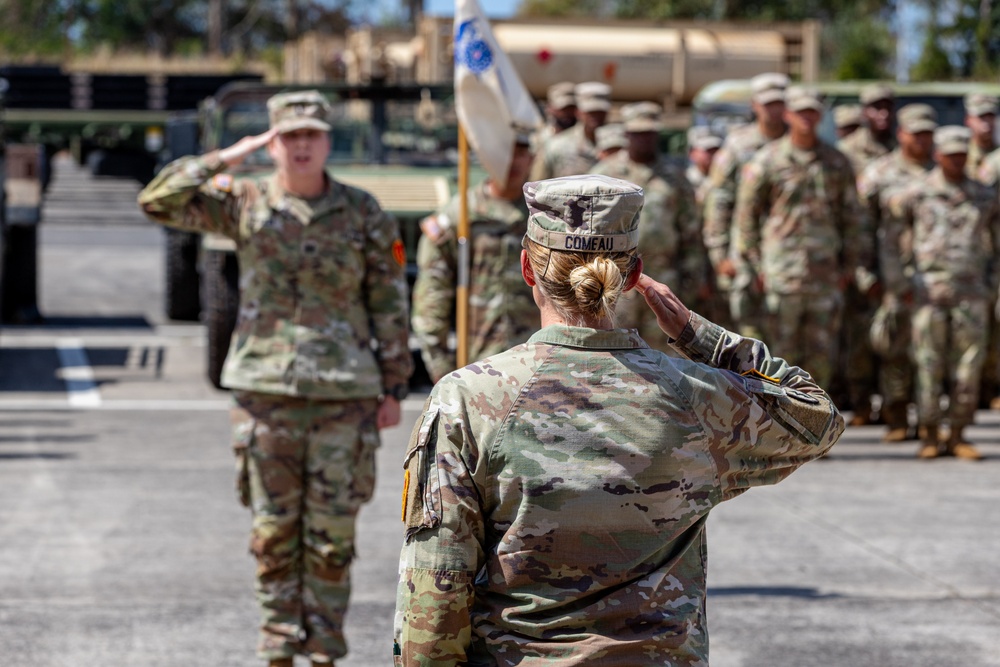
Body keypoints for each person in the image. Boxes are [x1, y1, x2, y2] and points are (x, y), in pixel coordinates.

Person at [393, 174, 844, 667]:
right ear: (633, 275)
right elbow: (816, 417)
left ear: (527, 266)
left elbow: (434, 597)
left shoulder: (468, 397)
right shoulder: (693, 395)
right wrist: (702, 337)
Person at [138, 90, 413, 666]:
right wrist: (226, 156)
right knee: (272, 535)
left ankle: (324, 653)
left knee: (332, 539)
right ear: (273, 141)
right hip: (267, 396)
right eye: (290, 136)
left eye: (313, 134)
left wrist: (394, 387)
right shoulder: (242, 202)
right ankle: (277, 649)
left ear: (328, 140)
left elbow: (388, 302)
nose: (303, 145)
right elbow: (158, 201)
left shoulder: (363, 211)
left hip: (345, 395)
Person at [733, 86, 872, 391]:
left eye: (812, 112)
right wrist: (754, 266)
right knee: (781, 359)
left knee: (821, 358)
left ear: (820, 116)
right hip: (781, 275)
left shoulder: (836, 162)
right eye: (800, 112)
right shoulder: (766, 161)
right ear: (788, 115)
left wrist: (848, 267)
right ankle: (785, 428)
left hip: (825, 276)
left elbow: (853, 218)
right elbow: (746, 218)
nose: (807, 118)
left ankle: (815, 425)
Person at [884, 126, 1000, 460]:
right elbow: (891, 239)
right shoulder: (916, 194)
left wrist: (991, 284)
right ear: (938, 155)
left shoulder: (984, 196)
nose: (957, 160)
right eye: (950, 155)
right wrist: (900, 282)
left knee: (968, 368)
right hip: (927, 294)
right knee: (928, 366)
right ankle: (930, 433)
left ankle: (959, 433)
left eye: (962, 154)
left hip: (971, 294)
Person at [411, 134, 537, 383]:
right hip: (479, 369)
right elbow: (432, 295)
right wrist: (442, 368)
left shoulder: (545, 215)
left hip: (537, 364)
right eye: (504, 152)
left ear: (531, 158)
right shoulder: (460, 215)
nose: (512, 161)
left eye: (520, 153)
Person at [591, 102, 708, 345]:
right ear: (627, 134)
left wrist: (693, 280)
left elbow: (690, 233)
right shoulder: (604, 175)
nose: (644, 139)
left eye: (649, 133)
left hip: (664, 279)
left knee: (662, 356)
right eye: (638, 133)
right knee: (616, 352)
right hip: (616, 282)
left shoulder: (675, 177)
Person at [857, 103, 938, 441]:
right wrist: (866, 274)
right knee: (895, 349)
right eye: (916, 133)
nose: (922, 140)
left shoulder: (942, 171)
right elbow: (862, 227)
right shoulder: (879, 173)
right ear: (901, 134)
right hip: (895, 276)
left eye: (927, 134)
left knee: (931, 352)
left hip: (936, 280)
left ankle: (930, 417)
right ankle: (897, 414)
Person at [704, 71, 788, 339]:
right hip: (745, 253)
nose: (773, 111)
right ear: (755, 105)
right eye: (767, 104)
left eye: (779, 104)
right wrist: (719, 254)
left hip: (788, 254)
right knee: (748, 331)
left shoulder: (798, 142)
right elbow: (719, 199)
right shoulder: (739, 145)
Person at [530, 81, 610, 180]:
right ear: (579, 112)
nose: (596, 117)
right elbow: (537, 185)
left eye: (600, 112)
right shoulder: (556, 146)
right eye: (591, 113)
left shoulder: (620, 146)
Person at [838, 83, 895, 175]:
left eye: (888, 108)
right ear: (864, 112)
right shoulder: (848, 148)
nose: (884, 114)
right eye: (877, 107)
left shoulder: (904, 146)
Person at [531, 81, 576, 153]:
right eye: (562, 109)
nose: (568, 113)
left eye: (572, 108)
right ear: (550, 108)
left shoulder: (587, 137)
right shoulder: (539, 138)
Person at [685, 125, 723, 207]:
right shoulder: (686, 180)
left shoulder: (724, 180)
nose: (713, 154)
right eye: (707, 150)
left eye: (716, 149)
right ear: (692, 153)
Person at [964, 92, 998, 179]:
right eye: (981, 116)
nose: (987, 122)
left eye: (991, 116)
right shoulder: (960, 154)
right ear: (968, 120)